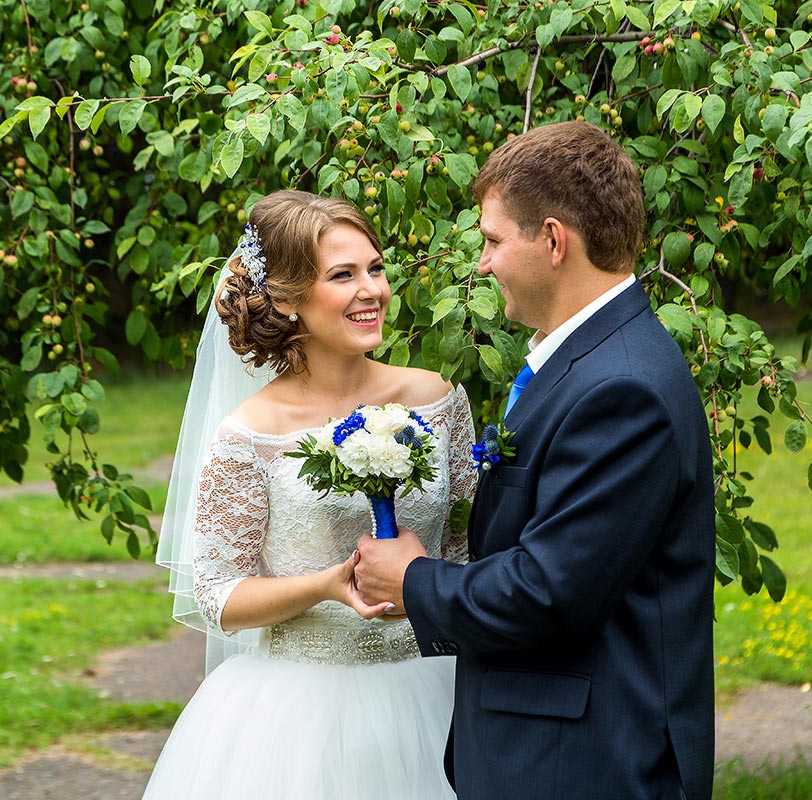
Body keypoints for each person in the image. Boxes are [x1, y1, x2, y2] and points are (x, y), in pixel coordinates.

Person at [354, 121, 716, 799]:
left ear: (553, 241)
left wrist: (413, 581)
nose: (483, 263)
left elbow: (548, 592)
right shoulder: (593, 359)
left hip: (580, 765)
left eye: (493, 240)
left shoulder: (622, 389)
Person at [145, 189, 476, 799]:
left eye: (375, 269)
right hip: (301, 715)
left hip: (440, 691)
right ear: (288, 299)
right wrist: (327, 585)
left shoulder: (437, 398)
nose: (370, 290)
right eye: (343, 276)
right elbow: (217, 595)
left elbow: (463, 552)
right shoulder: (250, 433)